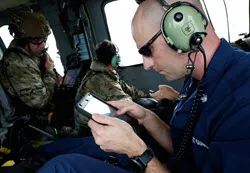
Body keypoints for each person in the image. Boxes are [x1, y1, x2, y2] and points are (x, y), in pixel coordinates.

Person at [38, 0, 250, 172]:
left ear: (186, 30)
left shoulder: (243, 98)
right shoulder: (195, 78)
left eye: (147, 51)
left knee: (62, 168)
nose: (147, 65)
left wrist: (140, 154)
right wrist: (146, 116)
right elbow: (184, 148)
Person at [0, 11, 61, 113]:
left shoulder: (35, 53)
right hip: (24, 117)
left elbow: (47, 71)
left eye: (44, 39)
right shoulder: (17, 62)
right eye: (37, 40)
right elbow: (39, 102)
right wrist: (50, 72)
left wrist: (56, 76)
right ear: (24, 40)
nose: (42, 45)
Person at [75, 39, 149, 103]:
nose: (119, 58)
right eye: (116, 54)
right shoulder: (100, 79)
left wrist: (149, 96)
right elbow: (124, 102)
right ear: (110, 58)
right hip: (88, 119)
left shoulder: (108, 74)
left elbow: (128, 90)